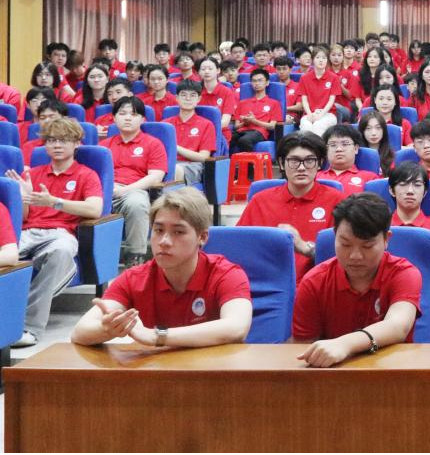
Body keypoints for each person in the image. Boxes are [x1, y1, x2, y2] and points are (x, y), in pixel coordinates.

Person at [71, 188, 252, 348]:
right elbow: (79, 333)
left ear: (202, 237)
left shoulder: (226, 274)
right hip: (159, 372)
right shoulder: (134, 278)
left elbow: (237, 327)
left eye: (178, 232)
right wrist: (107, 329)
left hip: (214, 371)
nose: (164, 241)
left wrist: (158, 336)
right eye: (158, 230)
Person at [5, 118, 103, 348]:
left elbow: (94, 209)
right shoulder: (33, 173)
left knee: (61, 252)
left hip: (61, 233)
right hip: (28, 232)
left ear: (77, 143)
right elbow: (23, 218)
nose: (56, 145)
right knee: (5, 250)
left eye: (63, 140)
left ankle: (29, 327)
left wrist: (54, 202)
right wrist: (24, 198)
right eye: (51, 140)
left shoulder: (86, 174)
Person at [292, 192, 420, 367]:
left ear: (386, 239)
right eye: (345, 244)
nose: (355, 256)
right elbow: (303, 348)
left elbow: (398, 326)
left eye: (367, 246)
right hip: (332, 375)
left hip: (393, 371)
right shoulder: (314, 282)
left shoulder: (403, 273)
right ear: (335, 235)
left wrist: (344, 344)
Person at [236, 131, 346, 282]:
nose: (301, 168)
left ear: (320, 163)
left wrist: (305, 248)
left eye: (309, 161)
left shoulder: (337, 201)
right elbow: (240, 246)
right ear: (282, 163)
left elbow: (344, 256)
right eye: (294, 161)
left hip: (318, 284)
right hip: (266, 283)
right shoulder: (260, 201)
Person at [103, 96, 168, 265]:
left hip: (134, 190)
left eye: (133, 114)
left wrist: (124, 190)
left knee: (137, 203)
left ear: (142, 119)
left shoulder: (153, 144)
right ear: (114, 118)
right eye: (122, 113)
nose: (127, 118)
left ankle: (135, 257)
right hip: (104, 191)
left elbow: (156, 176)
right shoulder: (103, 146)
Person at [387, 162, 430, 285]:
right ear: (391, 190)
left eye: (417, 185)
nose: (410, 191)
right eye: (403, 184)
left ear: (425, 192)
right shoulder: (380, 225)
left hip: (425, 290)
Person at [165, 80, 216, 185]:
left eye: (192, 95)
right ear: (177, 98)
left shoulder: (206, 124)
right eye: (183, 95)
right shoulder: (166, 124)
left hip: (193, 165)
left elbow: (203, 157)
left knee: (175, 169)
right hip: (168, 162)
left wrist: (175, 147)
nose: (188, 98)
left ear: (199, 99)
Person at [230, 68, 283, 154]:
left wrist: (254, 121)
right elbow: (236, 126)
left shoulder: (274, 103)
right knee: (228, 138)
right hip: (241, 130)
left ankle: (249, 163)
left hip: (259, 132)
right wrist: (245, 123)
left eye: (260, 80)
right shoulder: (242, 103)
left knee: (244, 140)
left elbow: (272, 126)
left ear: (267, 82)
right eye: (254, 81)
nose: (257, 83)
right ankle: (227, 162)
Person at [318, 124, 381, 194]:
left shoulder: (370, 178)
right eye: (333, 145)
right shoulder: (315, 176)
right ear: (326, 150)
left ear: (356, 148)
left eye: (345, 144)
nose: (339, 149)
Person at [296, 46, 340, 136]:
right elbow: (304, 100)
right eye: (318, 57)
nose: (321, 60)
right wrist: (309, 114)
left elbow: (331, 100)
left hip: (328, 113)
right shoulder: (304, 78)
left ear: (327, 60)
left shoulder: (334, 77)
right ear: (312, 60)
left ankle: (318, 146)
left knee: (318, 125)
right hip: (309, 113)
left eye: (324, 58)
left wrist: (321, 114)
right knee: (306, 126)